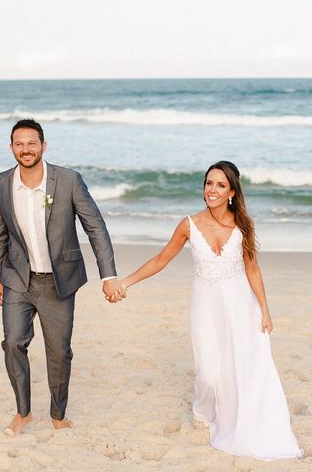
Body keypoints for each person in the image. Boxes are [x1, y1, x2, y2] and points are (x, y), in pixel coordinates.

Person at [121, 161, 302, 460]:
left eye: (220, 185)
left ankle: (234, 415)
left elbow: (253, 269)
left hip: (241, 304)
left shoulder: (242, 224)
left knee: (240, 366)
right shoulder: (188, 224)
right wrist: (126, 282)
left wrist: (265, 310)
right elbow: (161, 259)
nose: (212, 190)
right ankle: (203, 414)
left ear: (232, 191)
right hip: (205, 304)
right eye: (208, 183)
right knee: (208, 372)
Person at [0, 119, 125, 436]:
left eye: (32, 143)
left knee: (59, 352)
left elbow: (95, 227)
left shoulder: (68, 181)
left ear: (43, 146)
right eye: (19, 144)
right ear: (12, 148)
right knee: (12, 343)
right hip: (17, 279)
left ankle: (58, 414)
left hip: (58, 282)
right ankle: (23, 412)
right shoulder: (1, 184)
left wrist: (109, 274)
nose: (26, 149)